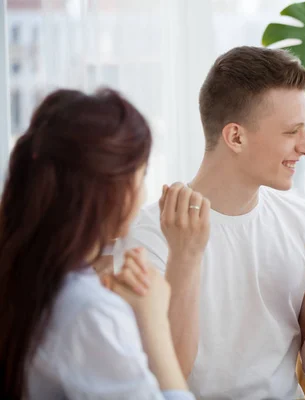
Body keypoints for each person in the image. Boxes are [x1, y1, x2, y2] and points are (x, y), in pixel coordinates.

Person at [117, 46, 305, 399]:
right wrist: (185, 258)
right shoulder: (151, 236)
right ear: (236, 137)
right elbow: (164, 381)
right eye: (292, 131)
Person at [0, 88, 203, 399]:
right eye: (142, 175)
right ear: (115, 191)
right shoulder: (89, 312)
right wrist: (153, 321)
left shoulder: (23, 273)